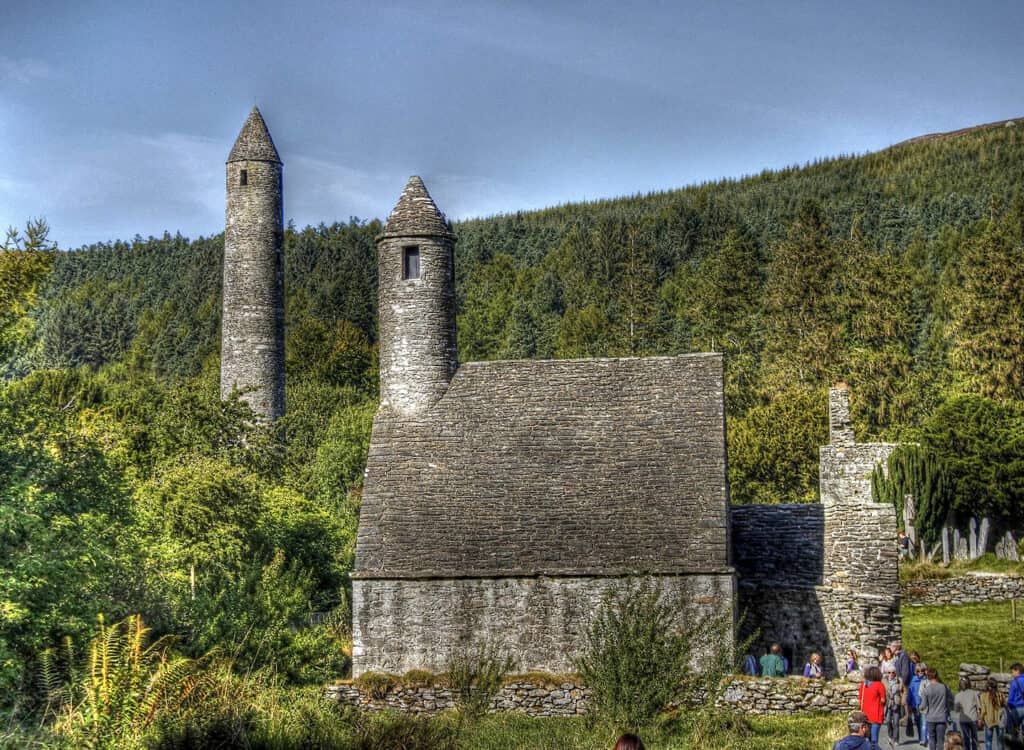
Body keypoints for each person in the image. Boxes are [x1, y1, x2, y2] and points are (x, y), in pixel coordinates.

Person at [921, 667, 954, 750]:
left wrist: (919, 708)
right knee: (940, 740)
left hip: (931, 717)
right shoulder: (944, 687)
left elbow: (923, 705)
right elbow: (950, 700)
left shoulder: (926, 690)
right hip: (942, 717)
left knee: (932, 739)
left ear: (928, 676)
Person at [859, 665, 887, 750]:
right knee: (874, 741)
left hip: (865, 716)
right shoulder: (879, 685)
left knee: (866, 739)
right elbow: (883, 700)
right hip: (876, 716)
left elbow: (860, 699)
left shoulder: (863, 685)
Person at [955, 676, 982, 750]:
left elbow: (956, 710)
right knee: (974, 737)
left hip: (963, 719)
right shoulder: (974, 693)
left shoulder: (957, 695)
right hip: (973, 718)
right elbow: (979, 707)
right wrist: (979, 718)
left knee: (966, 738)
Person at [979, 677, 1004, 750]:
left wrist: (980, 718)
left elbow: (983, 710)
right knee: (1000, 741)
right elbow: (1004, 705)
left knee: (988, 741)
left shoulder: (983, 696)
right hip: (999, 721)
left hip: (989, 721)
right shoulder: (1000, 694)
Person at [909, 662, 928, 744]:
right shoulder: (913, 680)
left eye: (922, 671)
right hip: (915, 704)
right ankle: (921, 737)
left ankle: (924, 739)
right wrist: (908, 703)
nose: (920, 672)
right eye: (918, 671)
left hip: (924, 704)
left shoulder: (927, 680)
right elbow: (910, 692)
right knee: (917, 722)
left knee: (924, 722)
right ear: (916, 671)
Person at [885, 666, 905, 744]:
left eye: (893, 672)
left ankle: (896, 739)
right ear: (887, 673)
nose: (891, 674)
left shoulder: (899, 680)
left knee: (896, 722)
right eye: (889, 672)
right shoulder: (884, 681)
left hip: (896, 702)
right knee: (888, 721)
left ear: (895, 673)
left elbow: (904, 692)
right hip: (888, 703)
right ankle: (890, 735)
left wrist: (903, 701)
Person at [1008, 663, 1024, 740]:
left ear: (1017, 671)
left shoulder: (1014, 682)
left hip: (1017, 708)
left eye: (1013, 671)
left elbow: (1010, 699)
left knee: (1014, 731)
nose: (1012, 674)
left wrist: (1009, 707)